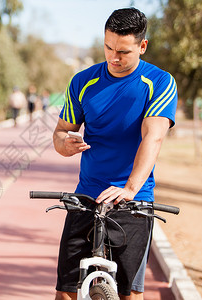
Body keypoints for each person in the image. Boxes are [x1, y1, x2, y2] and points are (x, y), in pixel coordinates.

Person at [52, 8, 178, 300]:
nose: (113, 57)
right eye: (108, 47)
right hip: (87, 196)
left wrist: (130, 188)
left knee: (129, 294)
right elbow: (60, 132)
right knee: (65, 293)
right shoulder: (82, 82)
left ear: (142, 46)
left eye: (123, 51)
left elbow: (153, 136)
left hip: (134, 198)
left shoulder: (159, 82)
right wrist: (64, 144)